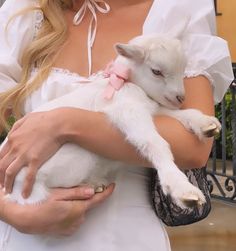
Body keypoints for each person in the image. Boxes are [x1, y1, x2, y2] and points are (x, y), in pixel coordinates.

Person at [0, 0, 234, 250]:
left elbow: (192, 146)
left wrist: (64, 123)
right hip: (25, 231)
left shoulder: (176, 11)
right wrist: (8, 211)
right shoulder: (28, 11)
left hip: (126, 236)